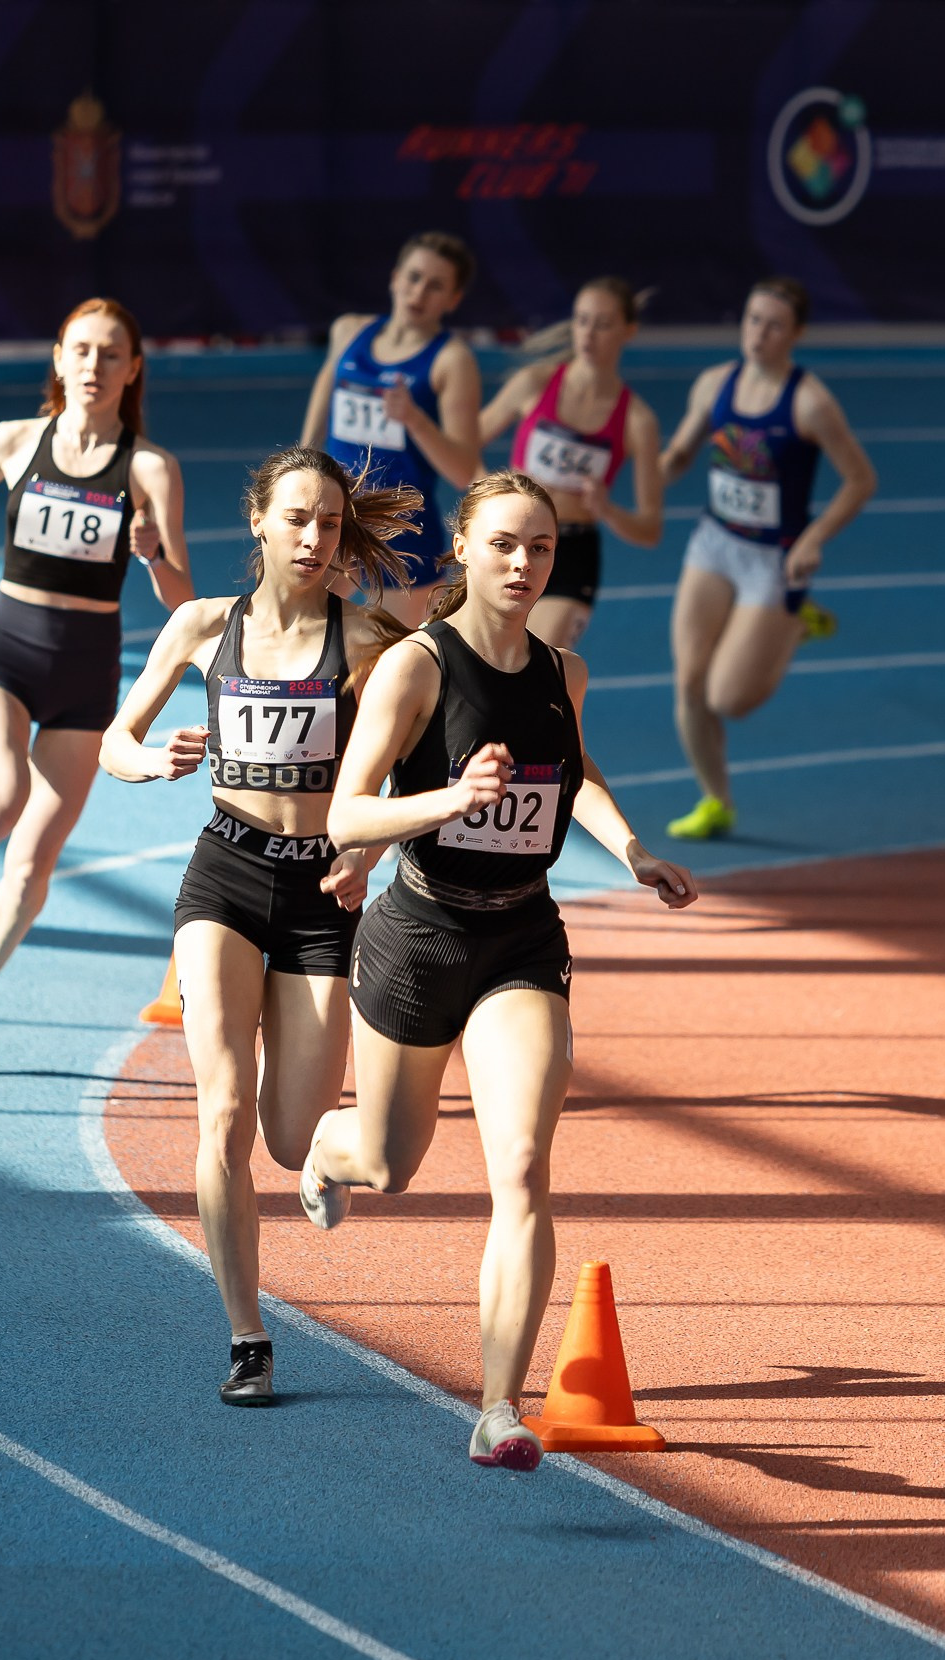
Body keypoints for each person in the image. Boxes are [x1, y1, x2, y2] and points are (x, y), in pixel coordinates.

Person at [294, 470, 697, 1470]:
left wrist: (632, 850)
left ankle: (498, 1407)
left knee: (520, 1167)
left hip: (521, 940)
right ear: (464, 552)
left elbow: (576, 771)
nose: (524, 565)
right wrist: (445, 802)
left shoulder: (564, 672)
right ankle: (330, 1150)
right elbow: (345, 817)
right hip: (420, 934)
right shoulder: (417, 668)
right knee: (390, 1163)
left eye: (542, 549)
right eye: (506, 545)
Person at [99, 447, 416, 1407]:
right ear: (259, 523)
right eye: (297, 519)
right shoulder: (202, 626)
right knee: (224, 1107)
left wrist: (367, 854)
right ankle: (247, 1334)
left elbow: (402, 771)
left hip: (321, 894)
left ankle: (324, 1160)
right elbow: (117, 737)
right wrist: (152, 762)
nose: (315, 538)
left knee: (288, 1136)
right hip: (227, 875)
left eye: (329, 523)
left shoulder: (366, 639)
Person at [0, 298, 192, 1073]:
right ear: (60, 358)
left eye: (111, 354)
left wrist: (151, 555)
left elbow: (183, 600)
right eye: (82, 350)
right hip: (7, 652)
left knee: (34, 862)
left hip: (85, 670)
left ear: (133, 368)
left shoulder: (147, 467)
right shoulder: (15, 439)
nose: (94, 367)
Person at [656, 277, 876, 840]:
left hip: (773, 557)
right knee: (688, 685)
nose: (759, 333)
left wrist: (814, 538)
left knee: (728, 698)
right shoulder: (714, 385)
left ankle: (794, 624)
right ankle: (716, 801)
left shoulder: (810, 403)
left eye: (774, 325)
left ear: (796, 334)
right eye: (753, 320)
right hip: (715, 542)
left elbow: (860, 479)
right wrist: (638, 477)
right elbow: (679, 453)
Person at [302, 232, 485, 631]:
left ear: (453, 299)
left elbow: (462, 469)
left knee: (392, 666)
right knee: (302, 632)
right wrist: (301, 463)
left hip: (403, 534)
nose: (420, 292)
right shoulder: (350, 332)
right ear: (395, 277)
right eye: (414, 277)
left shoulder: (451, 361)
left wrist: (415, 419)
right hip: (337, 517)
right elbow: (325, 392)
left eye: (436, 286)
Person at [474, 276, 665, 649]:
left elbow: (650, 529)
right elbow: (462, 446)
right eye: (582, 320)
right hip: (507, 538)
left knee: (532, 665)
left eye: (603, 324)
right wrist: (489, 497)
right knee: (483, 662)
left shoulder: (637, 421)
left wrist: (607, 509)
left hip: (571, 552)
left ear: (628, 331)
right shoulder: (534, 384)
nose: (589, 334)